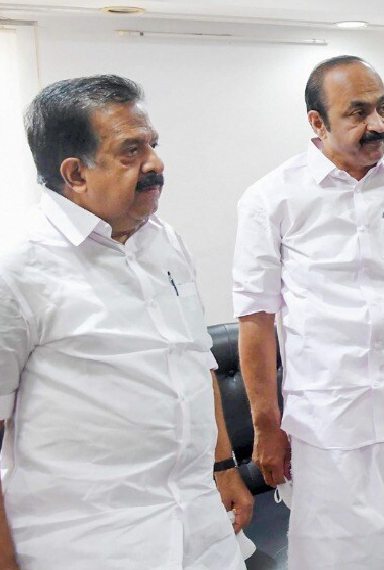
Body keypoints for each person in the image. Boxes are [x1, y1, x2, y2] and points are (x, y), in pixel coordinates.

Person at [0, 75, 249, 568]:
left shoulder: (166, 243)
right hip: (94, 545)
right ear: (75, 173)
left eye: (153, 144)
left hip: (200, 530)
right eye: (130, 151)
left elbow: (196, 363)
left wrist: (223, 466)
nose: (156, 163)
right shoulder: (18, 268)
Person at [232, 56, 384, 569]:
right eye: (357, 113)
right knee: (341, 550)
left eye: (382, 108)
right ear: (317, 122)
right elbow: (256, 318)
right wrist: (266, 424)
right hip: (327, 418)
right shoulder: (272, 198)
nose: (377, 124)